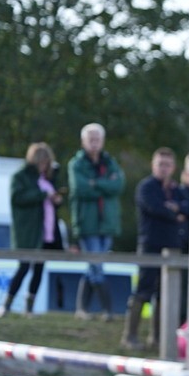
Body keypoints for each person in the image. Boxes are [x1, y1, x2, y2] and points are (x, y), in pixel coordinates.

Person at [125, 148, 189, 350]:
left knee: (165, 294)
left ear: (173, 167)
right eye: (160, 164)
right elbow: (154, 207)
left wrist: (174, 208)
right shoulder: (146, 187)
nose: (164, 168)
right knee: (143, 291)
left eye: (167, 164)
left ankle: (158, 338)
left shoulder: (176, 189)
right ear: (154, 165)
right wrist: (175, 211)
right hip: (150, 245)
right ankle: (130, 337)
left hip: (172, 248)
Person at [0, 143, 65, 317]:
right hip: (28, 232)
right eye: (41, 162)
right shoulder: (21, 176)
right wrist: (42, 195)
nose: (44, 166)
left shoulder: (48, 178)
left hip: (46, 231)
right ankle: (7, 304)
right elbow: (18, 198)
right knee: (24, 267)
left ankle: (29, 307)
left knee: (40, 269)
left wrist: (56, 199)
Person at [68, 123, 125, 321]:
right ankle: (108, 310)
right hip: (88, 223)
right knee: (97, 265)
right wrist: (104, 185)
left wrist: (95, 183)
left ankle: (82, 309)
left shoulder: (110, 163)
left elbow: (118, 185)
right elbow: (81, 188)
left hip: (106, 223)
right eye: (90, 139)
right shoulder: (76, 164)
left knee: (93, 267)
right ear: (83, 141)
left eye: (97, 139)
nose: (94, 143)